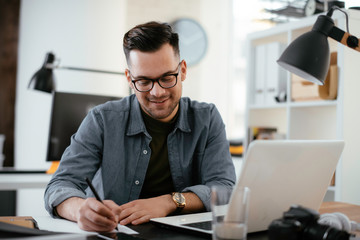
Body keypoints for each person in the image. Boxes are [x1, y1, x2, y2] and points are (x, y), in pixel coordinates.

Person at [44, 21, 236, 232]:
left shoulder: (207, 118)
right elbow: (60, 185)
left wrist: (168, 202)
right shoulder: (101, 120)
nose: (157, 92)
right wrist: (80, 210)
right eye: (144, 81)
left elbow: (225, 189)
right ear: (129, 78)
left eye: (166, 78)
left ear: (182, 70)